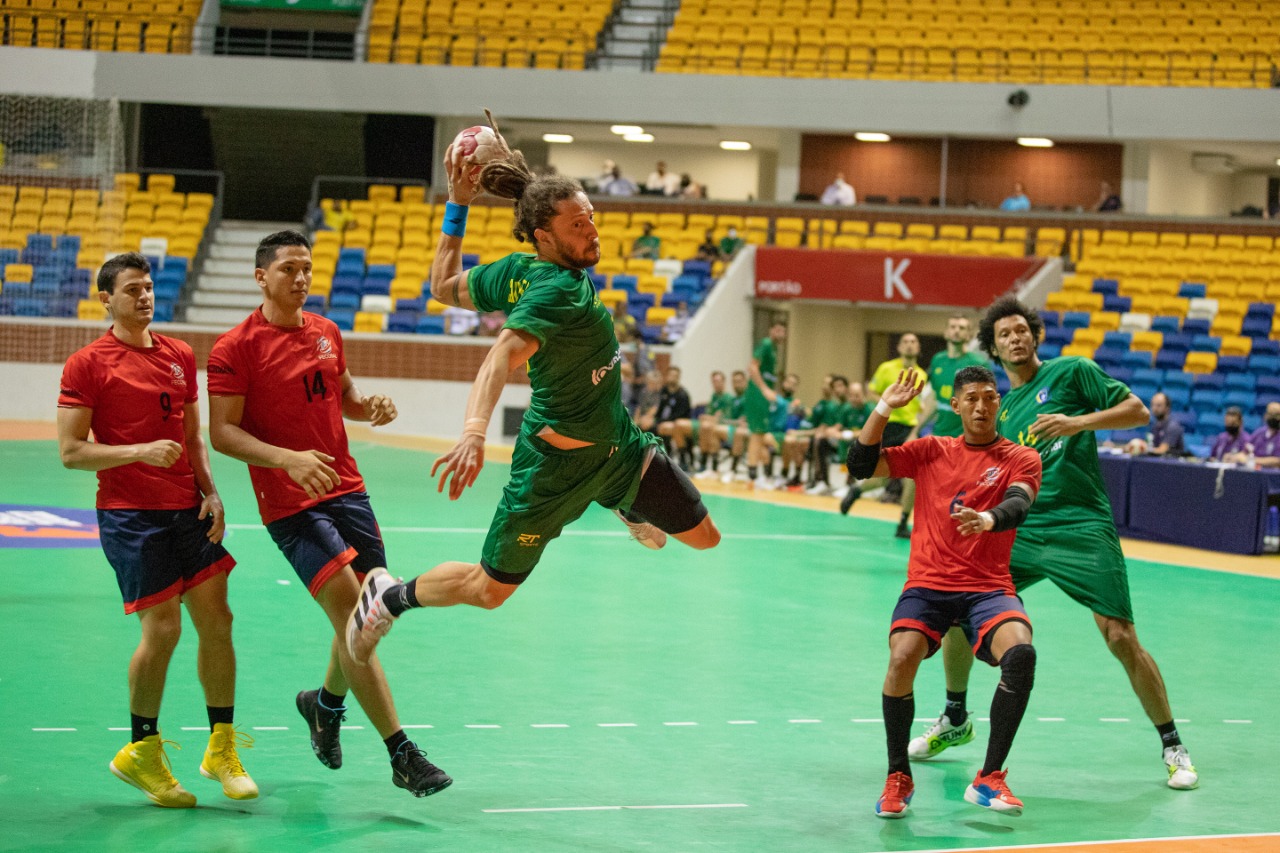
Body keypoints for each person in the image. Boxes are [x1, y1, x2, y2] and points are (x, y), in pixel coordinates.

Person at [345, 127, 721, 677]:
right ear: (544, 235)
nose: (592, 230)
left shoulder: (523, 273)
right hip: (550, 472)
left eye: (591, 216)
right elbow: (500, 357)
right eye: (578, 224)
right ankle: (389, 597)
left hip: (618, 450)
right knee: (488, 590)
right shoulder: (552, 291)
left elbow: (443, 283)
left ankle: (621, 501)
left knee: (705, 539)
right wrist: (474, 432)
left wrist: (458, 204)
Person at [910, 296, 1199, 791]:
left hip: (1082, 525)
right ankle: (955, 716)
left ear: (1035, 335)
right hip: (1021, 528)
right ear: (994, 349)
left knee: (1119, 636)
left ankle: (1173, 744)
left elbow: (1134, 411)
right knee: (958, 610)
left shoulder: (1072, 374)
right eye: (1005, 334)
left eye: (1022, 329)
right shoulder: (1001, 410)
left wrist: (1077, 422)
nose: (1016, 337)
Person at [207, 230, 451, 799]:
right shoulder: (234, 348)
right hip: (289, 501)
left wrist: (372, 406)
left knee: (368, 617)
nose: (301, 277)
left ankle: (324, 705)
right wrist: (286, 460)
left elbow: (343, 396)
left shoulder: (326, 332)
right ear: (261, 276)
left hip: (347, 489)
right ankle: (402, 754)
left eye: (307, 268)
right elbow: (222, 432)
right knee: (355, 615)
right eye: (289, 268)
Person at [57, 252, 256, 808]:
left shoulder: (177, 355)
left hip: (187, 508)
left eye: (148, 288)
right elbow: (71, 452)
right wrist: (139, 450)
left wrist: (211, 491)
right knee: (163, 629)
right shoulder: (87, 364)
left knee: (219, 620)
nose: (145, 297)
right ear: (107, 299)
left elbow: (194, 436)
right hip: (129, 515)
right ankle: (141, 751)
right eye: (132, 290)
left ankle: (221, 746)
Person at [854, 366, 1042, 819]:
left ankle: (989, 777)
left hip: (988, 588)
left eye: (991, 397)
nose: (982, 405)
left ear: (1000, 403)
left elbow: (1020, 502)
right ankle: (898, 776)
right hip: (928, 584)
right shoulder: (930, 450)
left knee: (1021, 654)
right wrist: (884, 409)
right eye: (972, 398)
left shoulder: (1021, 457)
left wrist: (990, 519)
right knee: (901, 657)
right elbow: (860, 466)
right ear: (955, 406)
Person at [841, 333, 929, 539]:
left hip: (910, 429)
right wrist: (886, 405)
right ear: (899, 347)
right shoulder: (887, 368)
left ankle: (902, 524)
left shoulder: (922, 375)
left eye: (913, 342)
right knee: (882, 478)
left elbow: (923, 403)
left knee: (913, 478)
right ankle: (856, 491)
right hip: (889, 426)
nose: (909, 345)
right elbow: (871, 391)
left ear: (918, 349)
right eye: (906, 342)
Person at [920, 314, 989, 439]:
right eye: (953, 327)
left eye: (962, 328)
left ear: (969, 335)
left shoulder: (979, 364)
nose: (956, 330)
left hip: (966, 439)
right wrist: (915, 431)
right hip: (939, 435)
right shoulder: (937, 360)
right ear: (946, 332)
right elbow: (935, 400)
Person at [744, 319, 788, 490]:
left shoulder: (774, 349)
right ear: (770, 331)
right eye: (776, 329)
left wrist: (771, 390)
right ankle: (753, 478)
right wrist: (763, 389)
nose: (780, 333)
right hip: (757, 394)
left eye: (782, 331)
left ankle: (761, 475)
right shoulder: (766, 344)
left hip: (762, 395)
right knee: (757, 434)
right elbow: (752, 367)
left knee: (761, 435)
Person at [655, 365, 693, 466]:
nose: (672, 377)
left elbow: (682, 414)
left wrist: (666, 421)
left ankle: (679, 459)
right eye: (671, 375)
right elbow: (659, 409)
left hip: (678, 423)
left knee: (666, 428)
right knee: (648, 426)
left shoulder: (683, 394)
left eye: (675, 376)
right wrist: (655, 419)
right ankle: (654, 459)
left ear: (678, 377)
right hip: (664, 421)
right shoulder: (663, 391)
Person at [1144, 391, 1184, 456]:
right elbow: (1150, 445)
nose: (1154, 408)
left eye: (1159, 405)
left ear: (1167, 408)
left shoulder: (1173, 427)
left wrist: (1143, 449)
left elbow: (1162, 450)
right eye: (1152, 405)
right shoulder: (1154, 426)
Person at [1248, 401, 1280, 467]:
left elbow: (1277, 461)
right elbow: (1246, 451)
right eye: (1271, 414)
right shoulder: (1258, 433)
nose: (1274, 418)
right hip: (1256, 472)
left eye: (1277, 415)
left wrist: (1253, 460)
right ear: (1265, 416)